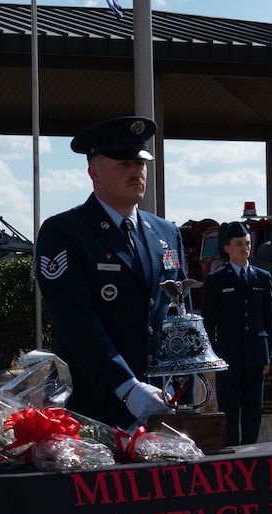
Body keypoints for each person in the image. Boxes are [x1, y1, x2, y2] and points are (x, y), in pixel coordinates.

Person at [35, 115, 186, 429]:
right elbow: (77, 321)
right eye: (123, 163)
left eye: (140, 163)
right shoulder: (65, 232)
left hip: (161, 403)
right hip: (92, 408)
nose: (136, 171)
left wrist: (180, 385)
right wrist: (127, 387)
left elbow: (178, 316)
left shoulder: (165, 233)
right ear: (94, 172)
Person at [201, 221, 272, 445]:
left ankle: (252, 452)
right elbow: (209, 320)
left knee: (253, 411)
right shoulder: (216, 279)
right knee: (230, 410)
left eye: (247, 243)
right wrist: (213, 354)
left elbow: (268, 320)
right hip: (228, 355)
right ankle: (233, 452)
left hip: (255, 355)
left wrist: (267, 355)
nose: (245, 248)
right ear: (227, 248)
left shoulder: (262, 278)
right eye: (238, 244)